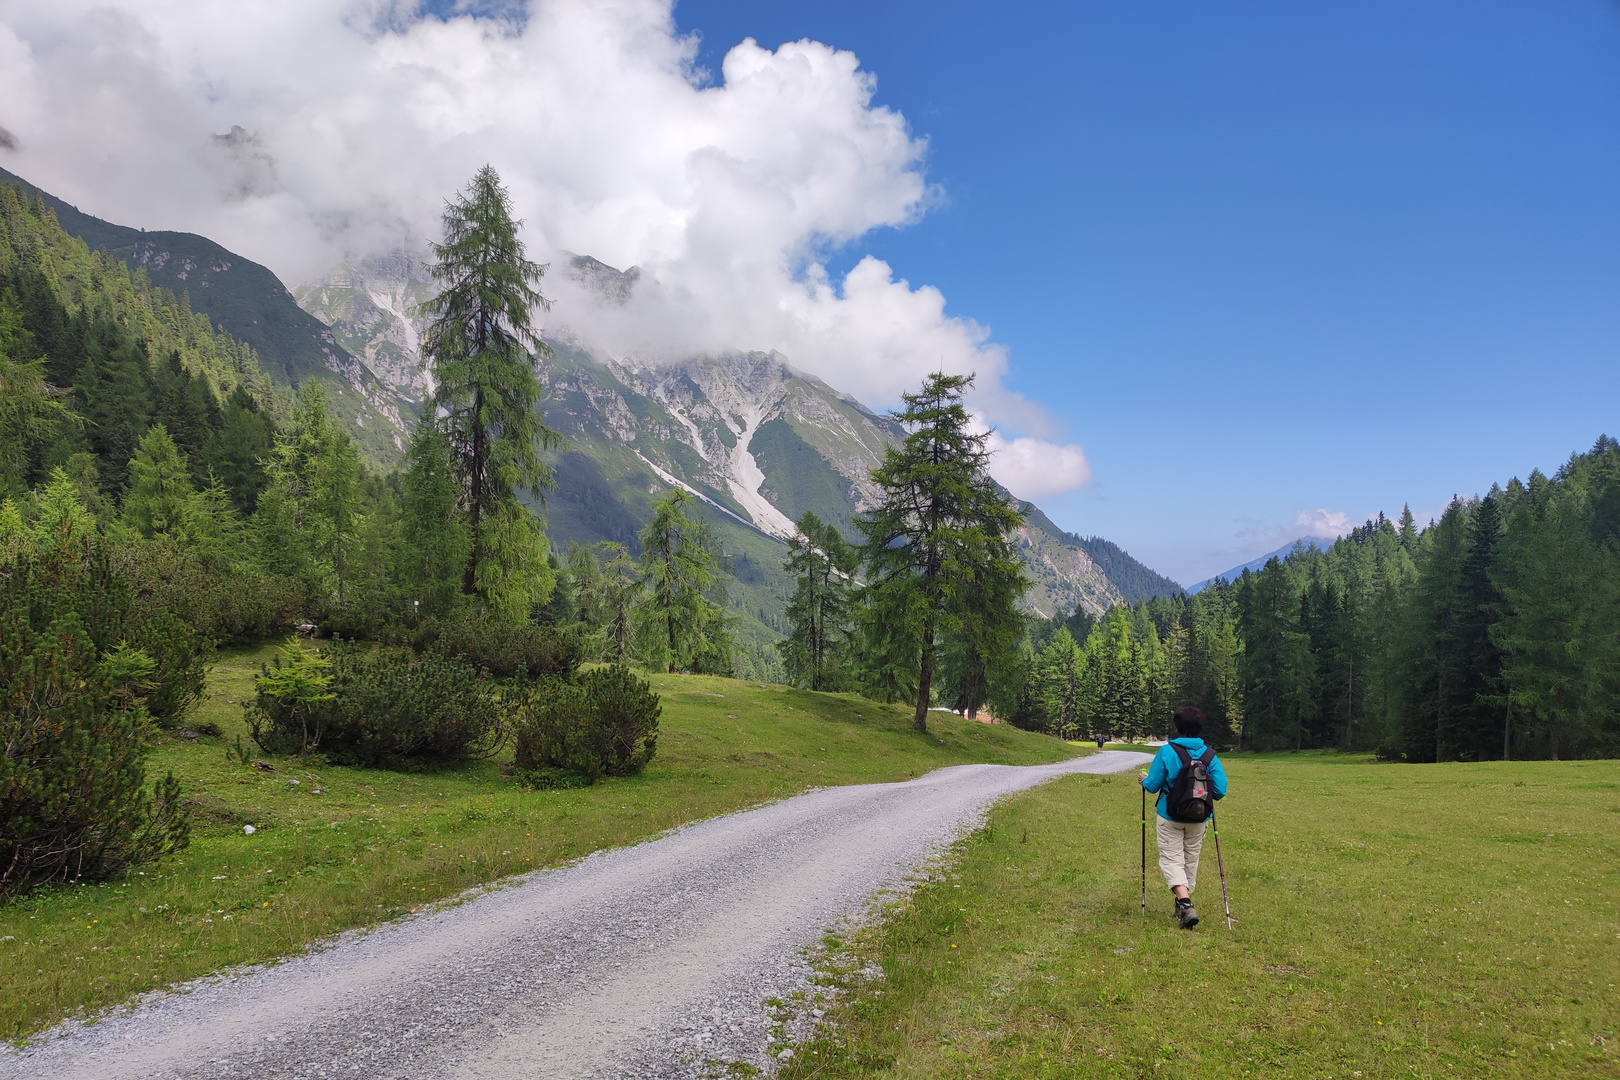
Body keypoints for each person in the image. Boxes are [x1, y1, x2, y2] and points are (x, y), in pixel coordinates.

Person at [1139, 705, 1228, 929]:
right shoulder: (1209, 755)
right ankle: (1182, 903)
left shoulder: (1167, 751)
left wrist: (1143, 779)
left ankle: (1185, 903)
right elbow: (1220, 790)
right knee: (1190, 858)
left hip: (1169, 815)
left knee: (1171, 859)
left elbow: (1152, 785)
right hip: (1199, 817)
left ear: (1177, 726)